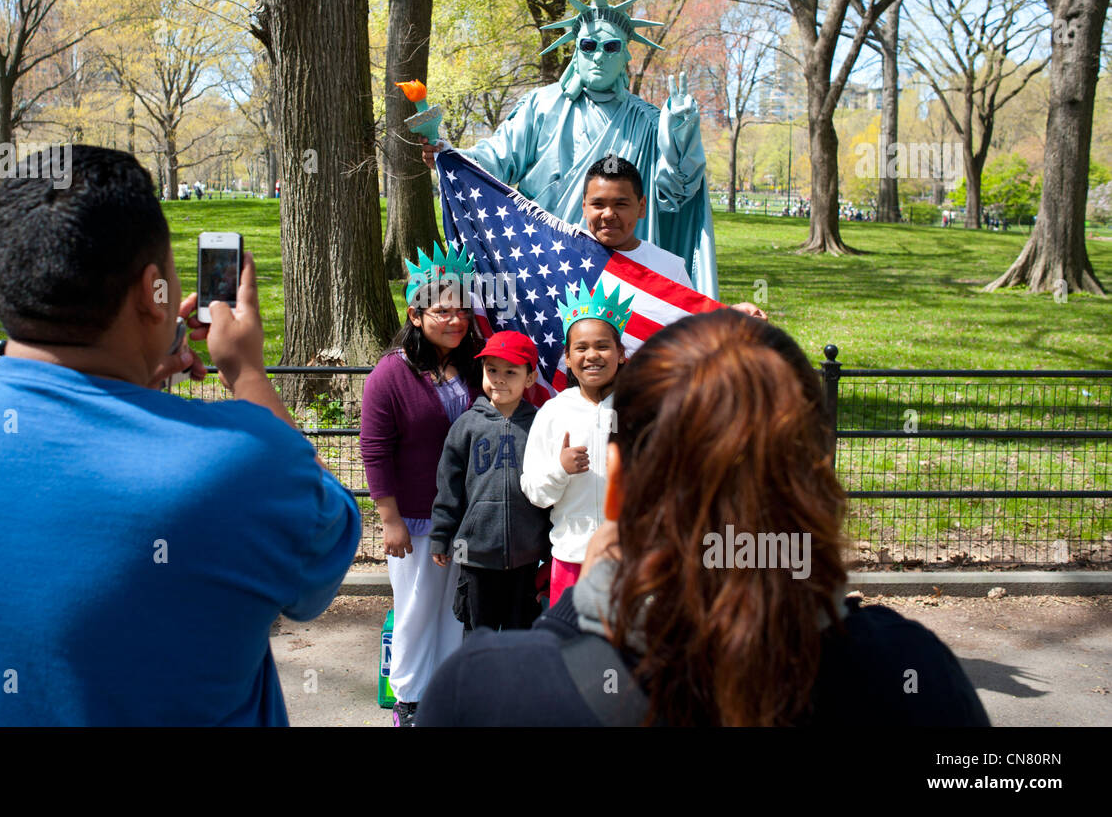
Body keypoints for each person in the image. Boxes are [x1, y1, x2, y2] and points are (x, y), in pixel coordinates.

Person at [0, 145, 360, 726]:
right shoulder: (246, 463)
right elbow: (324, 549)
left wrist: (138, 374)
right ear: (151, 292)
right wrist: (246, 374)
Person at [418, 311, 990, 726]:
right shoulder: (916, 677)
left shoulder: (483, 693)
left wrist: (577, 612)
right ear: (818, 473)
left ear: (619, 477)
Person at [422, 0, 719, 299]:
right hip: (546, 264)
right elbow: (497, 159)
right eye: (588, 46)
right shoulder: (540, 106)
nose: (599, 56)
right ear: (576, 52)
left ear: (625, 56)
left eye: (611, 47)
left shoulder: (649, 122)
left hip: (619, 275)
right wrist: (451, 157)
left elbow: (676, 194)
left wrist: (680, 133)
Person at [360, 243, 483, 726]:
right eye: (441, 310)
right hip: (414, 519)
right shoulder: (390, 375)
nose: (455, 320)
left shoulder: (472, 366)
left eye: (461, 310)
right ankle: (409, 702)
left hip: (465, 517)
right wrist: (389, 519)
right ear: (415, 314)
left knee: (455, 610)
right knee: (415, 609)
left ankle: (444, 696)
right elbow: (374, 450)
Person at [429, 330, 550, 634]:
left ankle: (515, 684)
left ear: (530, 378)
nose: (499, 379)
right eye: (492, 370)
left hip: (527, 559)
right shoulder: (467, 425)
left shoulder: (540, 425)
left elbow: (551, 489)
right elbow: (449, 487)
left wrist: (548, 548)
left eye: (511, 372)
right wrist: (441, 536)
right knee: (478, 639)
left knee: (518, 640)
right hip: (476, 556)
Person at [521, 280, 630, 607]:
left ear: (621, 354)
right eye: (581, 348)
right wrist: (560, 469)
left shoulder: (644, 409)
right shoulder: (553, 413)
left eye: (603, 346)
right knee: (572, 653)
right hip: (571, 559)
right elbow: (534, 491)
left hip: (631, 559)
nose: (592, 355)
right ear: (567, 358)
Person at [580, 154, 765, 320]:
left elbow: (692, 325)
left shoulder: (668, 268)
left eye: (621, 204)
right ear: (584, 207)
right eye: (598, 204)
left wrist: (732, 316)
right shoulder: (561, 252)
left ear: (642, 207)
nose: (608, 214)